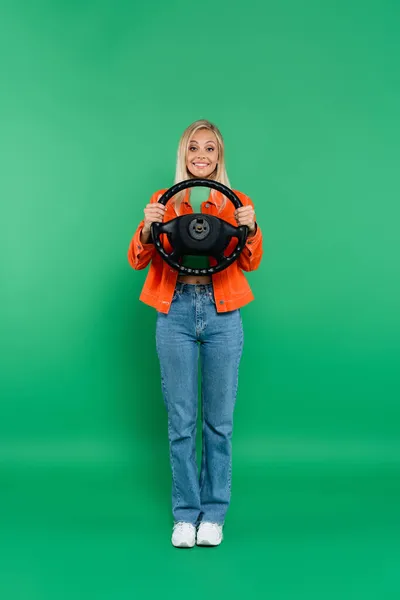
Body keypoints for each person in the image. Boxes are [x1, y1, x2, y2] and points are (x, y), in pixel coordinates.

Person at [127, 119, 263, 548]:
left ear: (219, 156)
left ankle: (214, 516)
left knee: (218, 423)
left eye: (210, 149)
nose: (201, 155)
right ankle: (186, 515)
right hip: (175, 312)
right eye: (193, 148)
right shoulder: (161, 204)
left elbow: (251, 262)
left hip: (224, 314)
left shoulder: (237, 204)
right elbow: (137, 258)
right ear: (183, 155)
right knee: (181, 420)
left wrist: (251, 227)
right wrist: (149, 226)